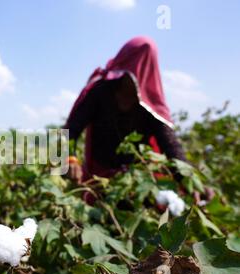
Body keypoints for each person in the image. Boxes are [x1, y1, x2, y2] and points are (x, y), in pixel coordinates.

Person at [64, 36, 188, 199]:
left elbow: (171, 148)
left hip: (136, 188)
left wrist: (191, 182)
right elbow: (66, 133)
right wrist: (70, 160)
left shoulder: (151, 106)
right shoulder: (99, 91)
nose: (135, 72)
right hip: (98, 185)